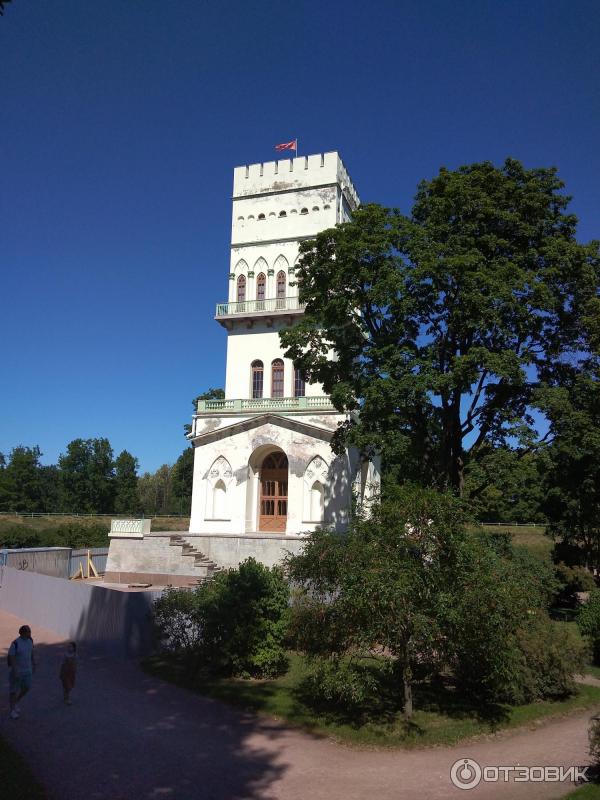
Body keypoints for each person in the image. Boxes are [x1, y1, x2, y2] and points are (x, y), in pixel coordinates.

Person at [8, 624, 35, 720]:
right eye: (28, 632)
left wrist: (34, 664)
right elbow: (11, 658)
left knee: (27, 687)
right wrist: (15, 671)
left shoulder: (30, 641)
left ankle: (16, 702)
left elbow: (31, 653)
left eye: (30, 631)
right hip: (17, 672)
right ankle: (12, 710)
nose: (30, 634)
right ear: (22, 633)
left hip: (27, 671)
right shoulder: (15, 643)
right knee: (13, 691)